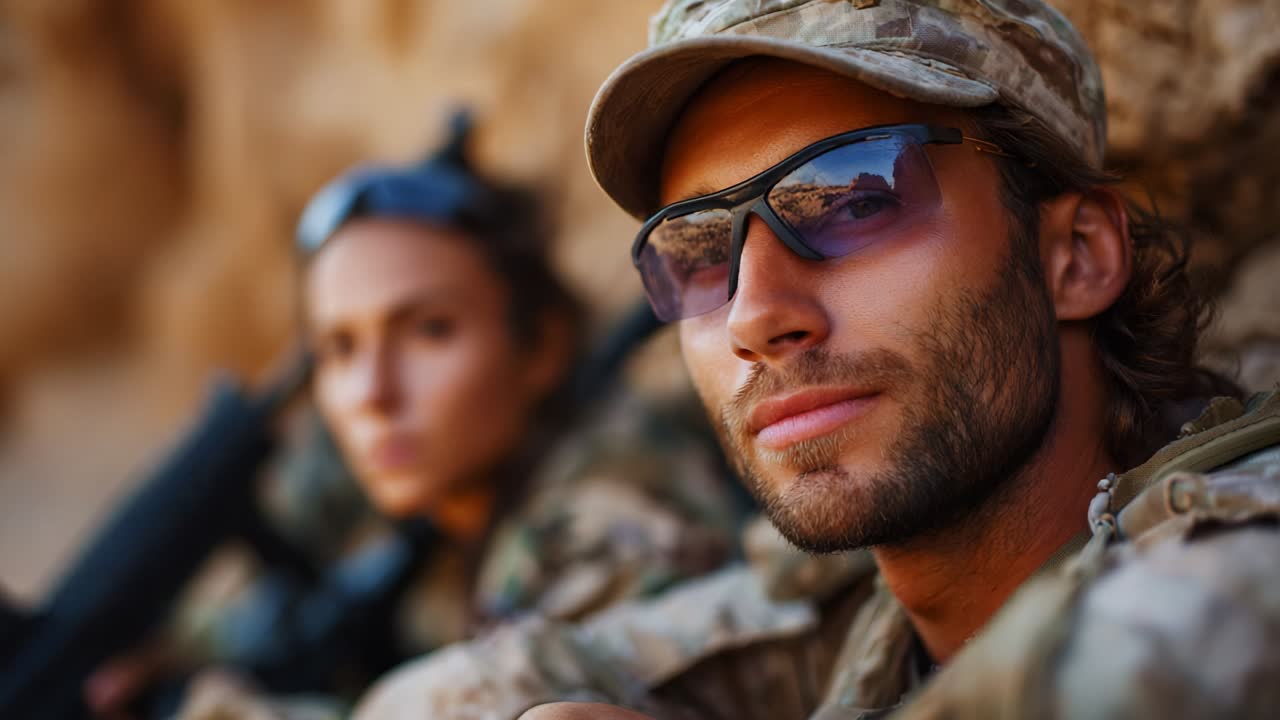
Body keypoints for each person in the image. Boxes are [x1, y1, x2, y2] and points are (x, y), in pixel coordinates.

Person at [350, 2, 1280, 719]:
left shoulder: (1235, 561)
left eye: (854, 199)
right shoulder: (855, 618)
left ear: (1074, 255)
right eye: (703, 252)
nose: (756, 315)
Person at [90, 113, 745, 719]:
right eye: (339, 348)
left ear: (541, 347)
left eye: (430, 331)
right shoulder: (421, 493)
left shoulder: (612, 509)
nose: (372, 393)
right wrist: (169, 659)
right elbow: (248, 611)